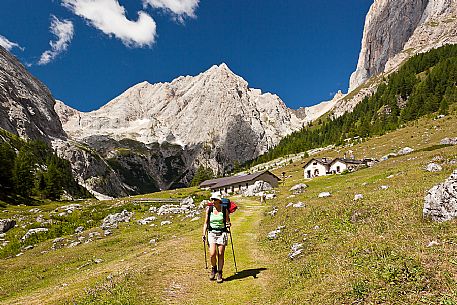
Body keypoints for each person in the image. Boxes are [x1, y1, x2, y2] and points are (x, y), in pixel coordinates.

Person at [202, 191, 231, 283]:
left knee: (221, 253)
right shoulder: (209, 209)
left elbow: (228, 221)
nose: (213, 201)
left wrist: (228, 225)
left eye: (215, 199)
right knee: (212, 253)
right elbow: (206, 223)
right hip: (212, 233)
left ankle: (219, 272)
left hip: (221, 233)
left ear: (219, 200)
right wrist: (203, 234)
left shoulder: (224, 209)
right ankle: (214, 268)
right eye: (212, 199)